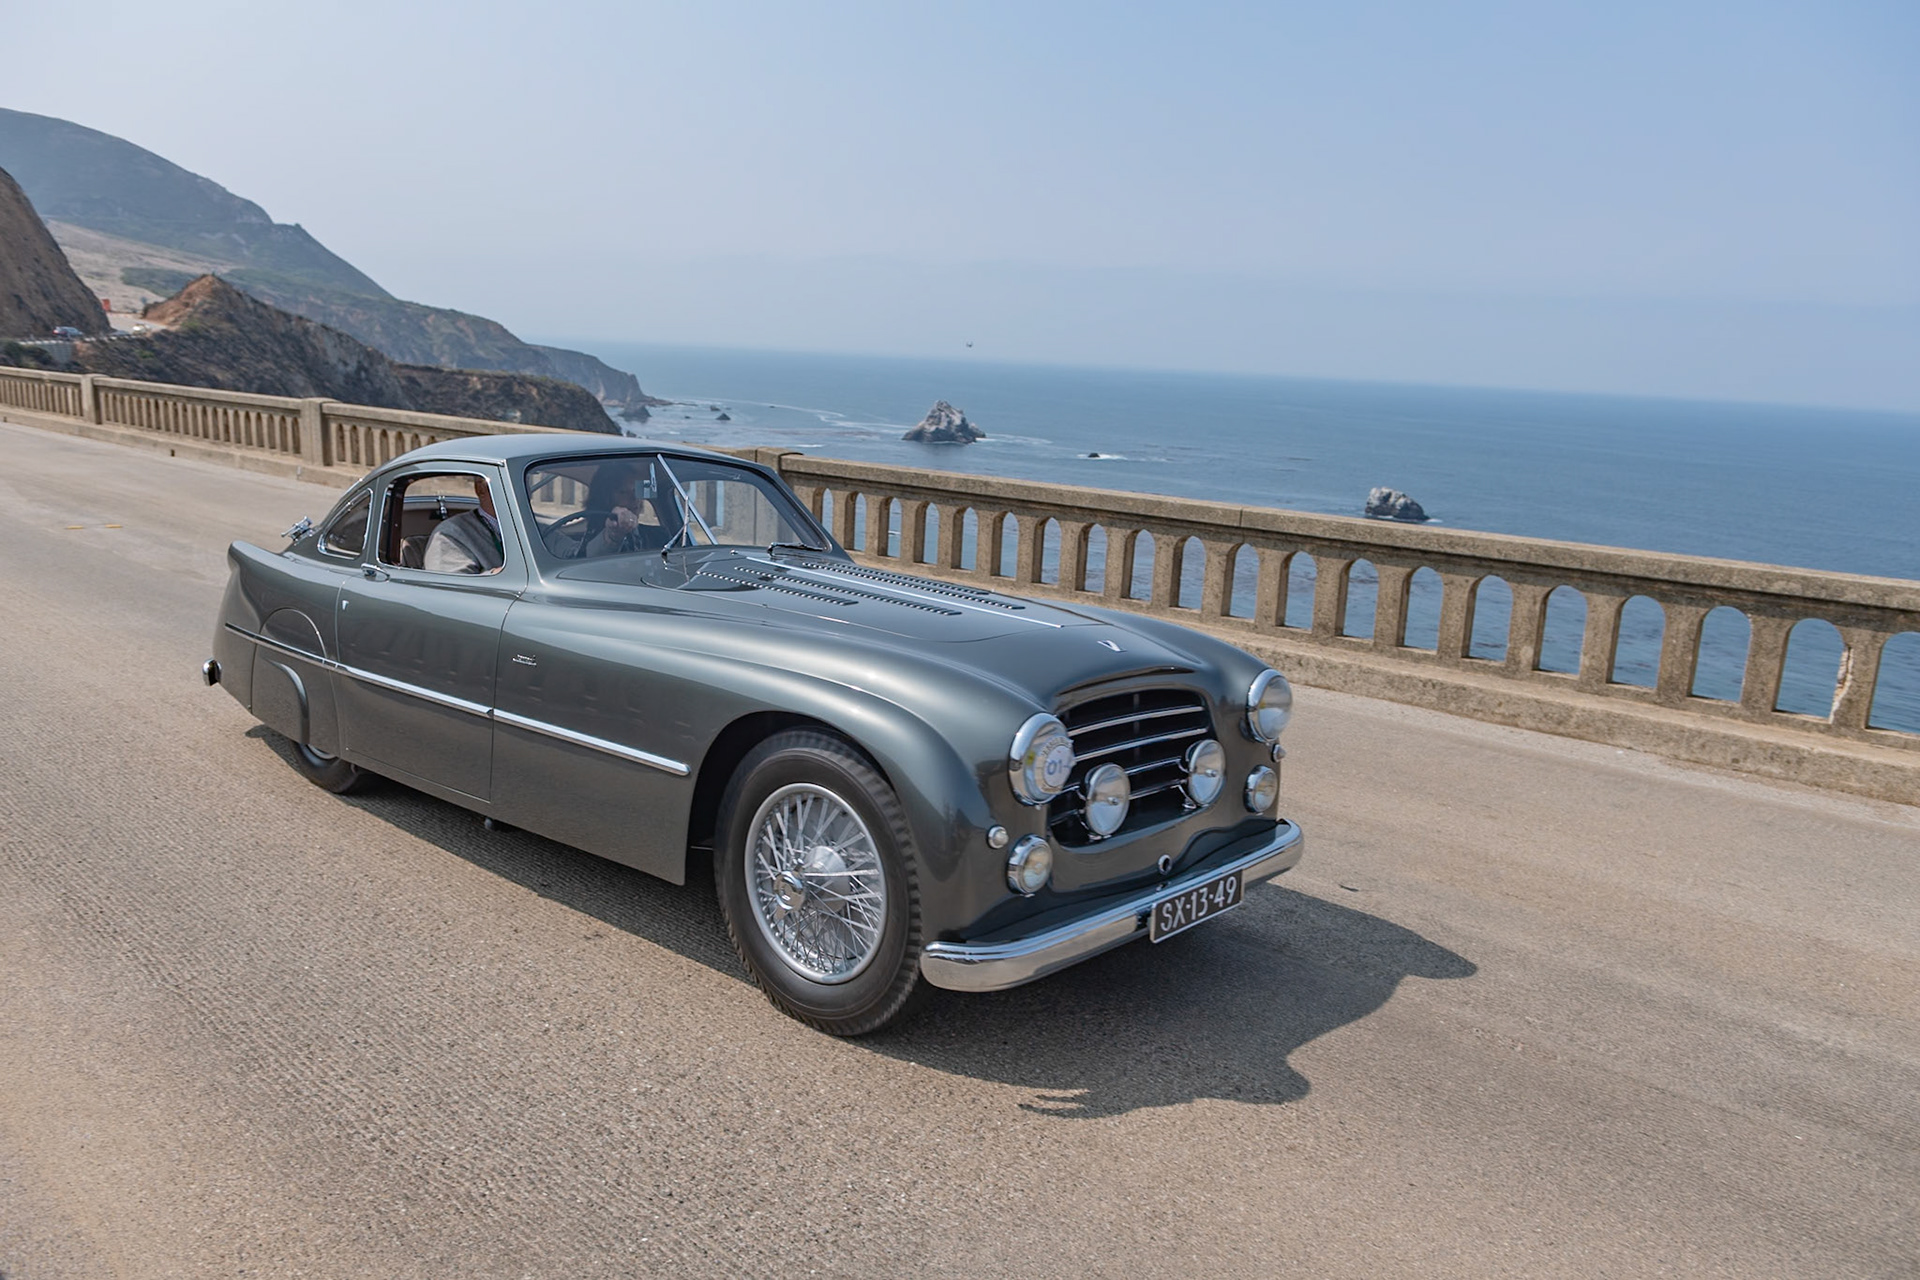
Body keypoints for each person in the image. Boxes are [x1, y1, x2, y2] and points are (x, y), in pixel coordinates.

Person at [422, 478, 506, 574]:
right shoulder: (450, 533)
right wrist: (498, 573)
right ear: (481, 490)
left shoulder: (519, 528)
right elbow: (449, 581)